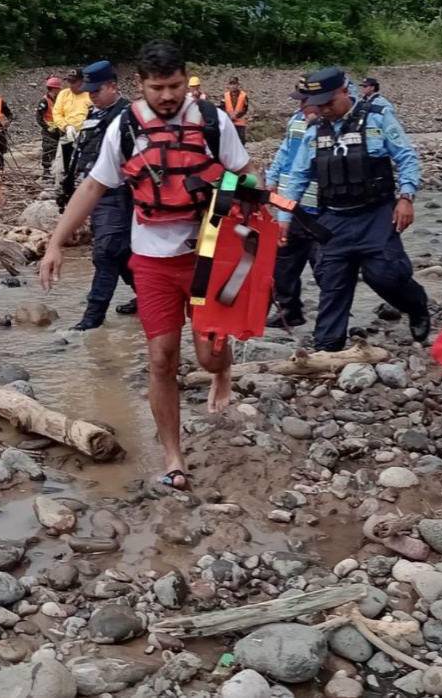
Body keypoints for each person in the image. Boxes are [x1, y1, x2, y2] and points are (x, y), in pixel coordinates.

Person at [40, 40, 250, 490]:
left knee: (209, 356)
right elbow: (94, 187)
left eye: (175, 86)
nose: (168, 96)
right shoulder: (126, 128)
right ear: (141, 85)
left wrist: (256, 234)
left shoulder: (213, 122)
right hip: (153, 259)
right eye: (158, 88)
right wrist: (56, 241)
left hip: (208, 254)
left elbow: (247, 176)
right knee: (161, 358)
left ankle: (222, 371)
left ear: (186, 79)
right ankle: (174, 457)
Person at [280, 66, 430, 351]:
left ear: (344, 91)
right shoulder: (314, 131)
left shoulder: (377, 118)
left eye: (328, 102)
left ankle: (416, 304)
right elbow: (297, 176)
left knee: (385, 275)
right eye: (318, 104)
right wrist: (284, 217)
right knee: (332, 284)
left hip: (375, 214)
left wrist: (406, 197)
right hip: (334, 219)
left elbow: (406, 156)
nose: (322, 109)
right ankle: (328, 349)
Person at [62, 61, 137, 330]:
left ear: (112, 86)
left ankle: (93, 318)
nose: (91, 95)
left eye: (96, 91)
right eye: (88, 91)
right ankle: (145, 295)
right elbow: (82, 153)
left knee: (105, 253)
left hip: (120, 193)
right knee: (121, 252)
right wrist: (68, 187)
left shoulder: (128, 117)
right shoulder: (93, 114)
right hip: (94, 193)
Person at [264, 98, 320, 328]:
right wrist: (271, 178)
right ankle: (290, 309)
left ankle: (333, 316)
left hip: (320, 207)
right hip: (291, 206)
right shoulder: (296, 121)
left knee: (325, 265)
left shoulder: (332, 126)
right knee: (284, 260)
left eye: (306, 102)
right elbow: (285, 151)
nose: (301, 106)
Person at [53, 68, 92, 175]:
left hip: (85, 136)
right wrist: (66, 126)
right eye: (69, 81)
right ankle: (59, 187)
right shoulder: (64, 94)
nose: (71, 85)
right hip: (67, 135)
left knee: (81, 167)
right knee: (60, 168)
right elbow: (57, 113)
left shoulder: (90, 95)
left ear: (83, 81)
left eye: (74, 82)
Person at [35, 76, 62, 180]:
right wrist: (47, 127)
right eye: (58, 88)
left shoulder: (58, 100)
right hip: (48, 130)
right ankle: (46, 171)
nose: (59, 90)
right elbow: (39, 117)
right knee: (47, 148)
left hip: (58, 129)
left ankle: (55, 169)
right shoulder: (44, 101)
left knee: (57, 150)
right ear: (54, 88)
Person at [221, 76, 249, 144]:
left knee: (241, 143)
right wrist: (228, 115)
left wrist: (237, 115)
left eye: (234, 84)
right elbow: (222, 108)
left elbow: (245, 109)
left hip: (240, 123)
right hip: (228, 123)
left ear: (238, 85)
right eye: (231, 84)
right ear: (229, 85)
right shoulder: (225, 95)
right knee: (228, 143)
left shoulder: (244, 95)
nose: (233, 86)